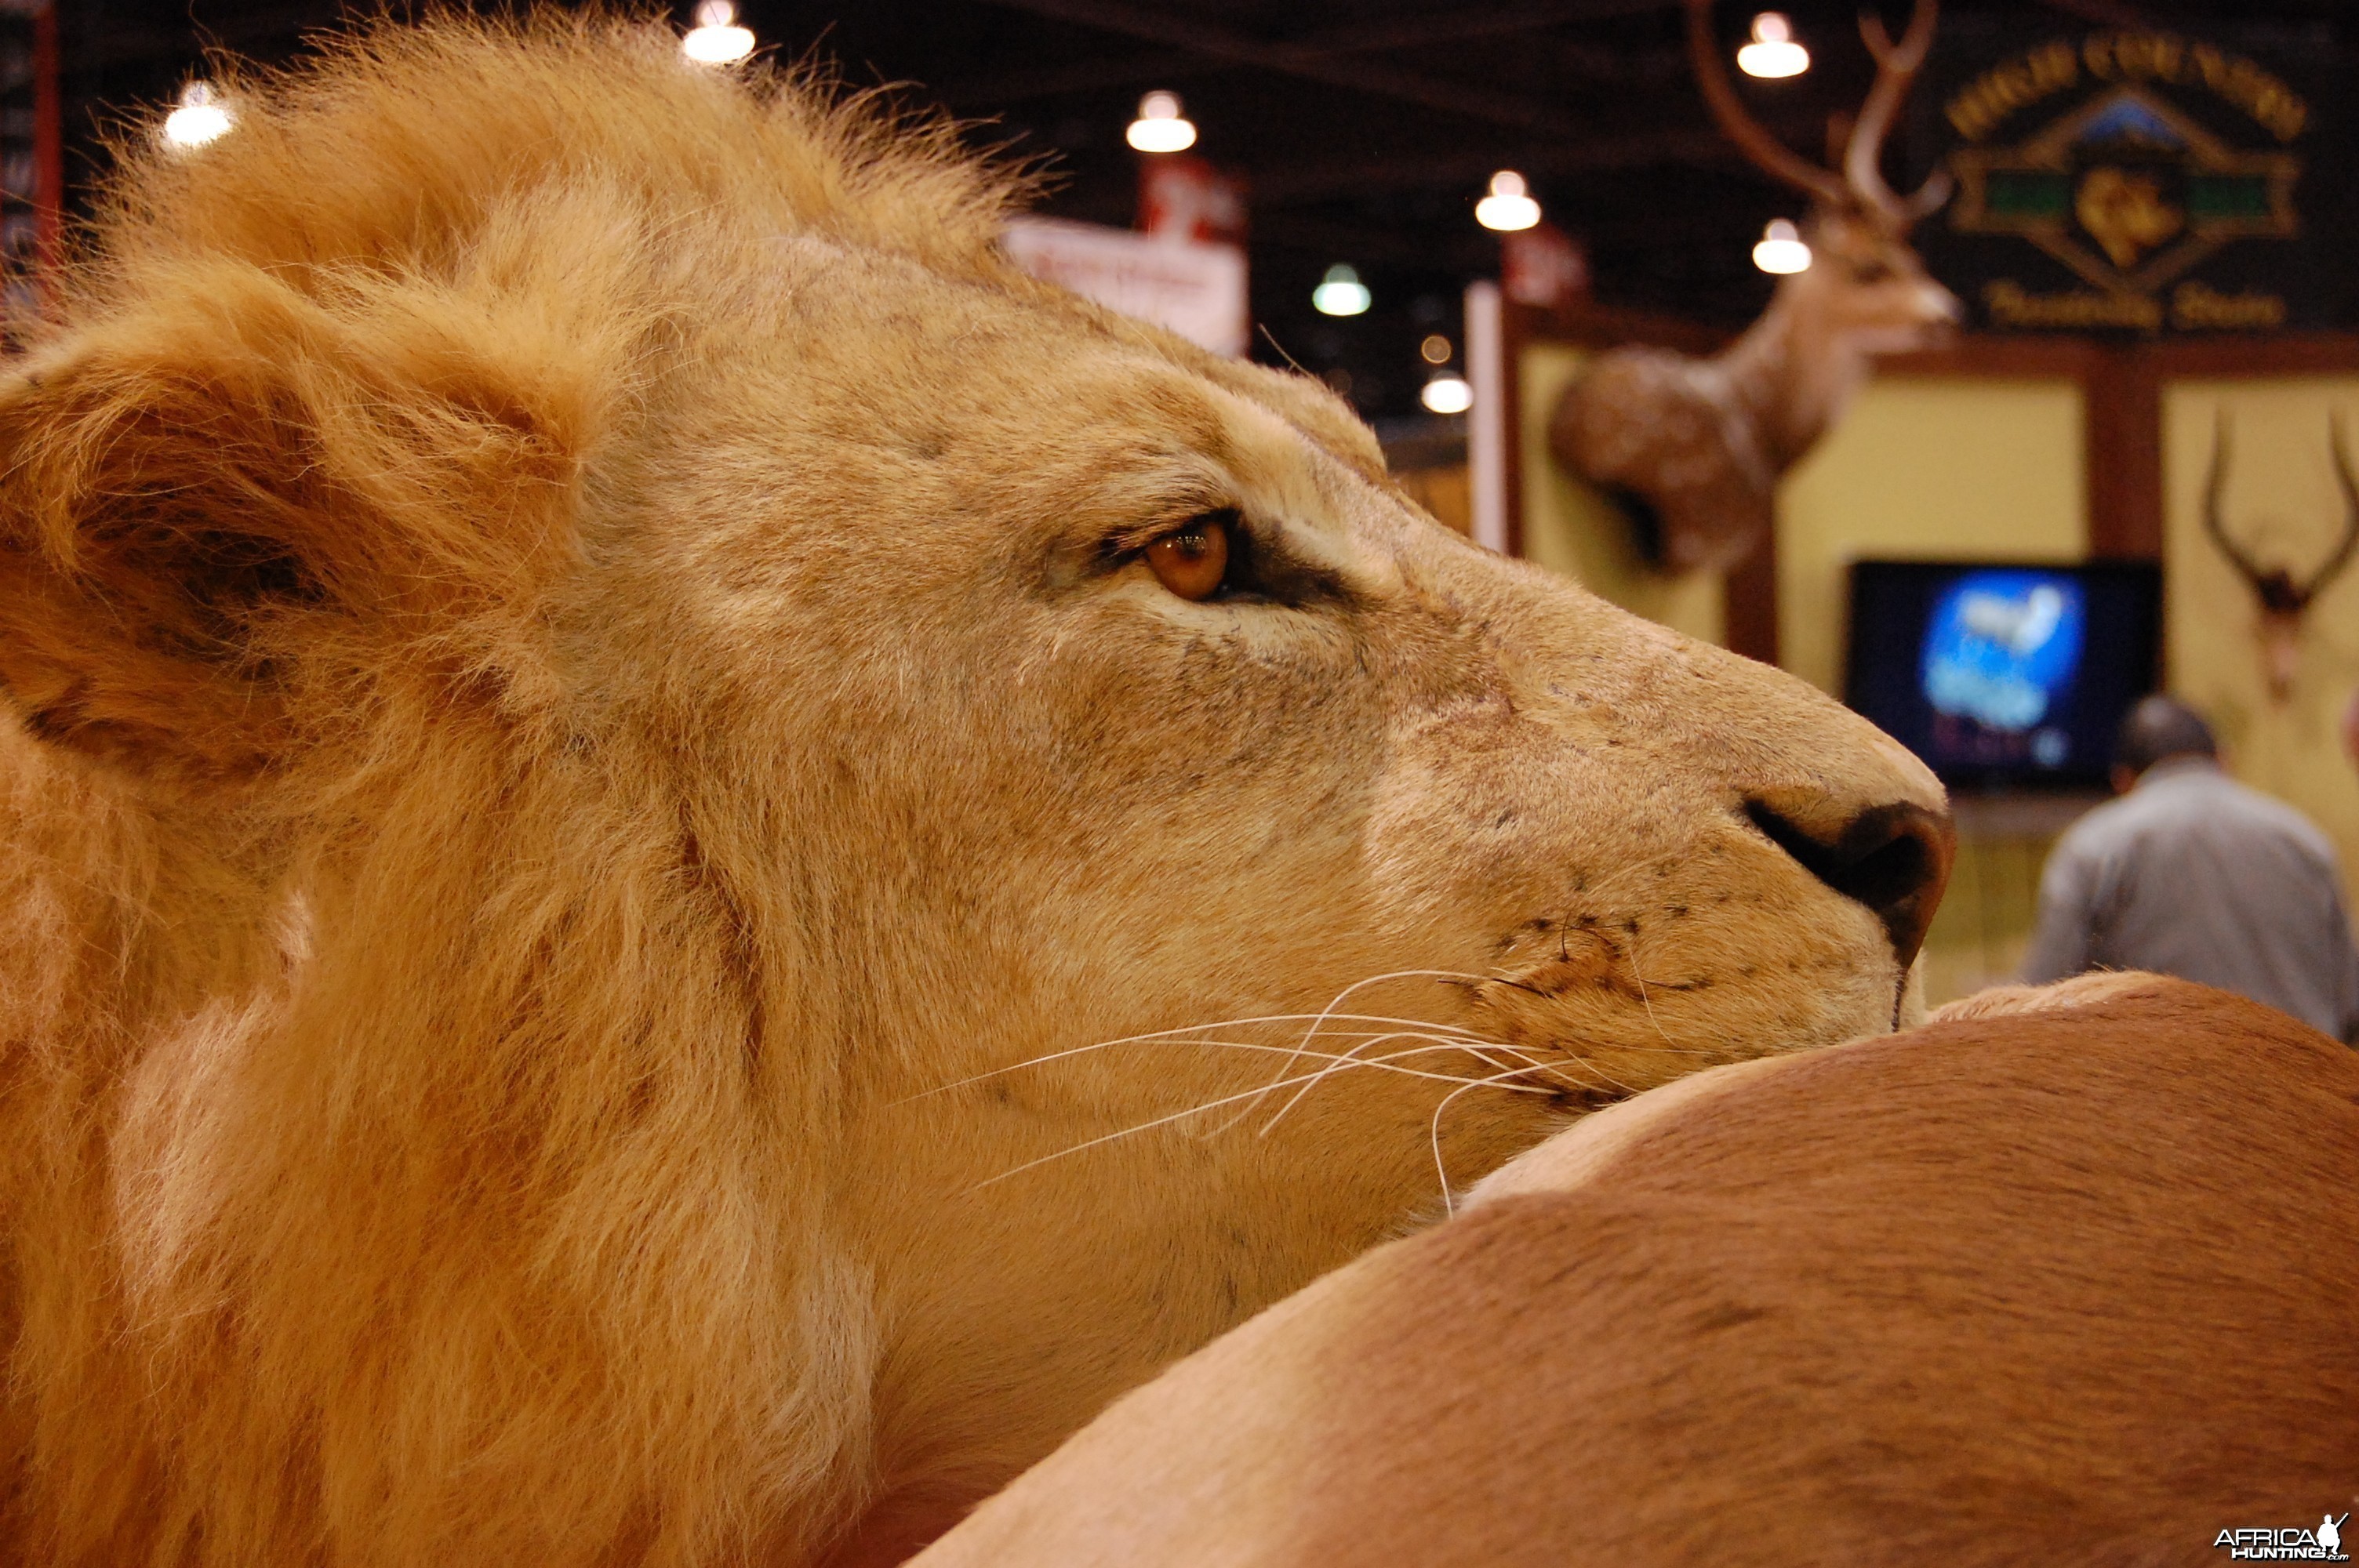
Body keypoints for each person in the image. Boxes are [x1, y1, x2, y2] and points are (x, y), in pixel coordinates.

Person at [2022, 695, 2359, 1044]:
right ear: (2225, 760)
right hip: (2306, 1089)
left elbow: (2042, 1008)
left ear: (2123, 781)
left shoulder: (2093, 848)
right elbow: (2351, 1005)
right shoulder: (2306, 842)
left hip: (2166, 1092)